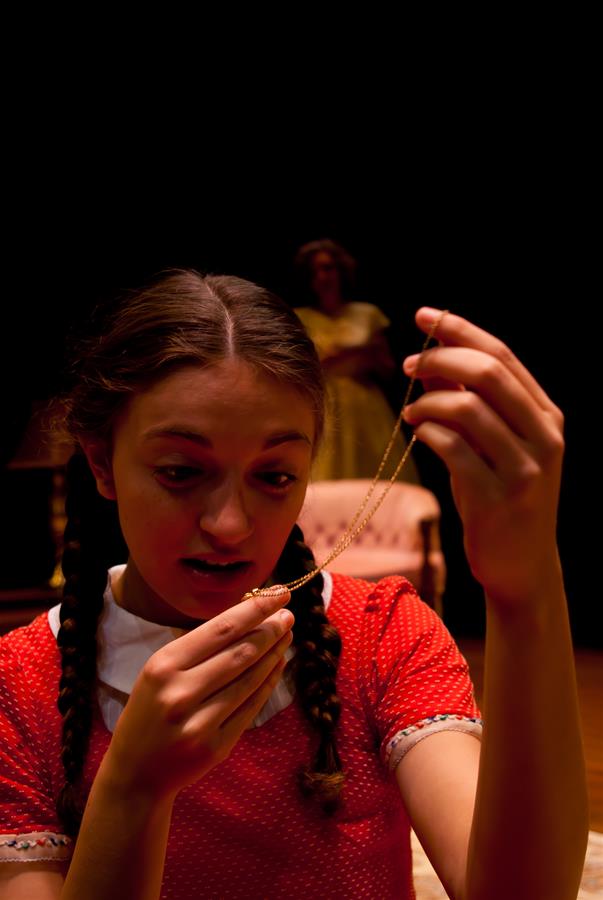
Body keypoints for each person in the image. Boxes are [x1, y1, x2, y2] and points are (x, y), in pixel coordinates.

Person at [0, 269, 588, 900]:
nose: (229, 524)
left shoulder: (380, 633)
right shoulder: (22, 684)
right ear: (100, 463)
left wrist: (526, 594)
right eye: (180, 471)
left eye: (274, 476)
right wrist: (133, 788)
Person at [294, 239, 420, 483]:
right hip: (324, 405)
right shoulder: (301, 317)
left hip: (364, 404)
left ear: (341, 270)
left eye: (328, 268)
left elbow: (388, 369)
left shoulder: (367, 314)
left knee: (376, 475)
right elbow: (298, 371)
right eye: (315, 271)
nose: (322, 276)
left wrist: (365, 356)